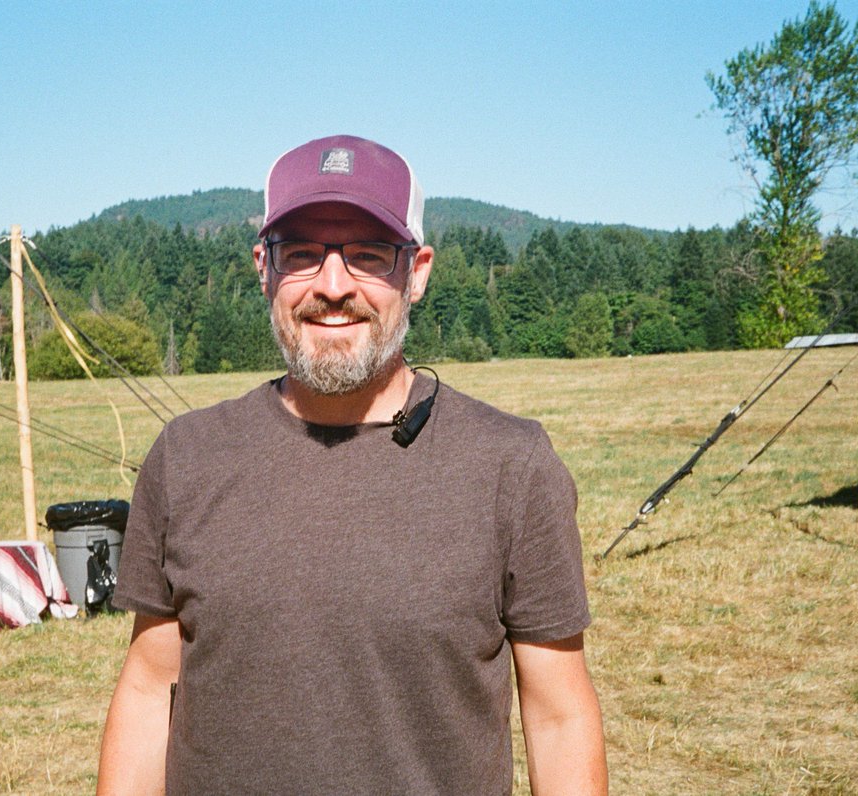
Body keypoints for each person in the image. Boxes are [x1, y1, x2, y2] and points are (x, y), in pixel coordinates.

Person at [98, 134, 607, 795]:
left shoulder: (510, 466)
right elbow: (147, 687)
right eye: (302, 255)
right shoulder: (185, 457)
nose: (332, 288)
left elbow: (560, 715)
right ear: (263, 267)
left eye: (367, 257)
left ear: (417, 271)